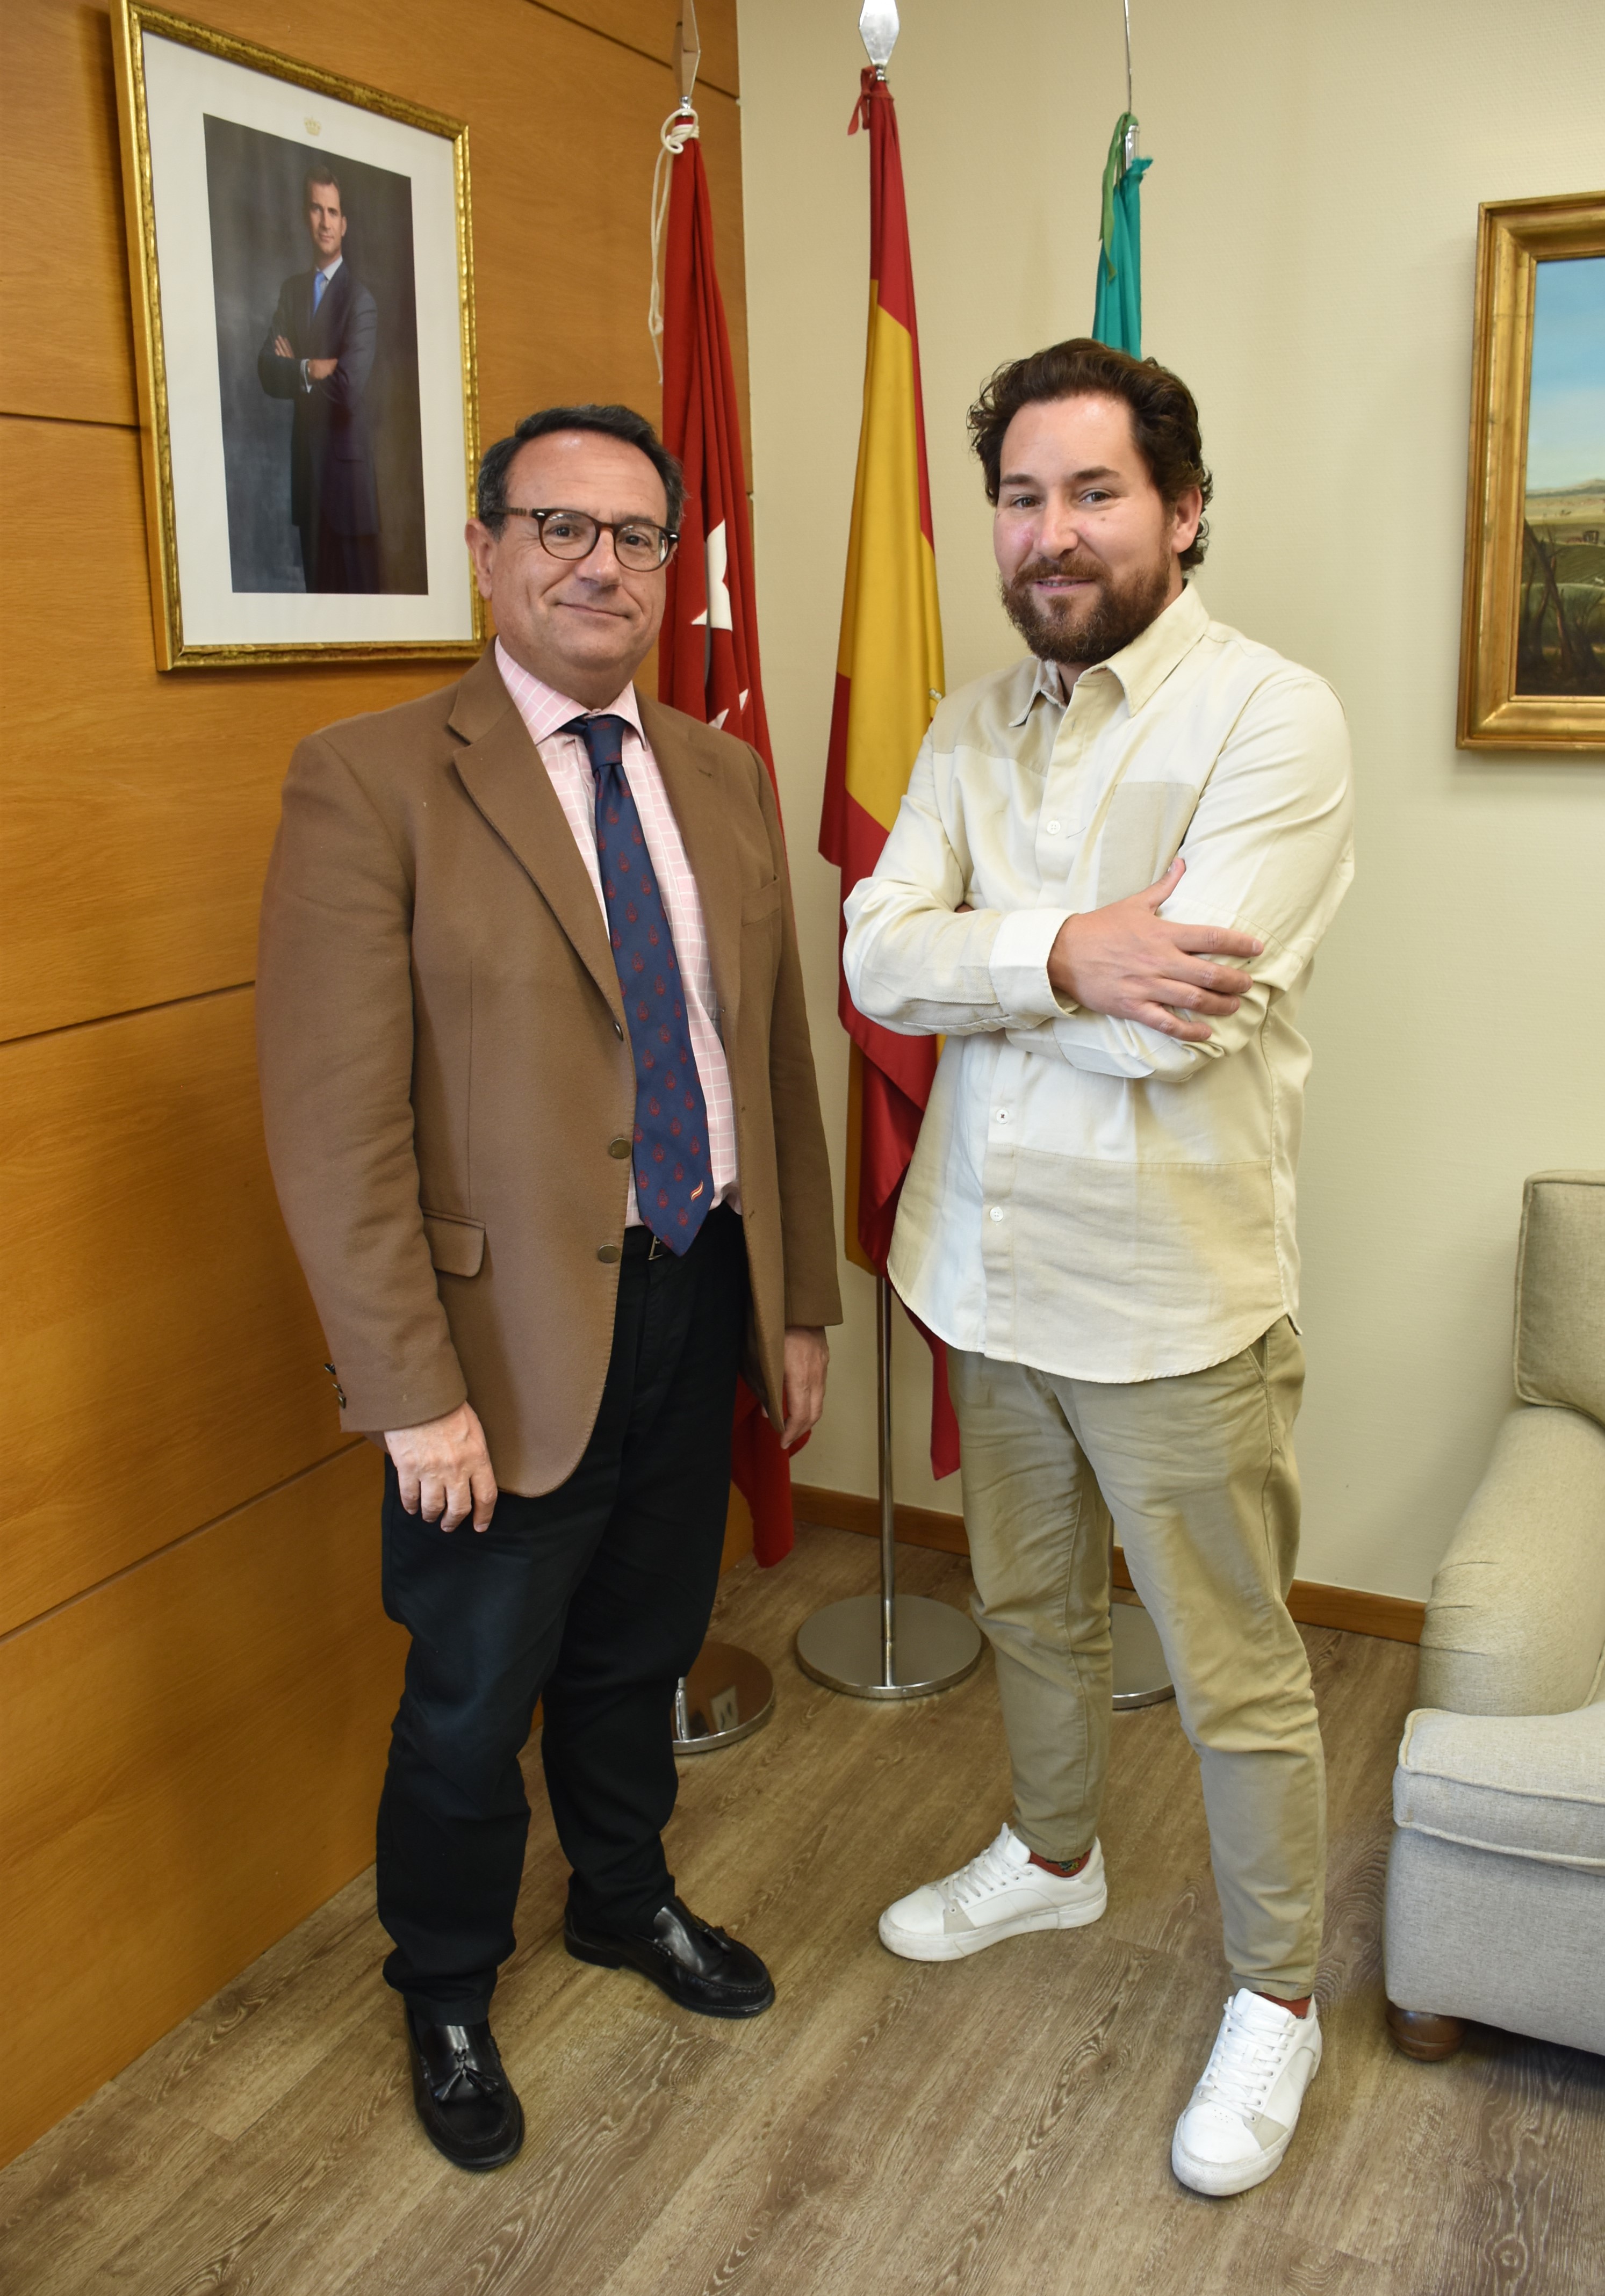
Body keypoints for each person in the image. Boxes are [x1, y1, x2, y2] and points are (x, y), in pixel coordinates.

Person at [256, 402, 840, 2171]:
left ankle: (618, 1893)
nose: (601, 563)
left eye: (635, 534)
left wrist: (794, 1300)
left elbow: (771, 1060)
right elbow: (332, 1121)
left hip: (695, 1284)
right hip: (494, 1348)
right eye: (559, 527)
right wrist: (406, 1390)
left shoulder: (720, 774)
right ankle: (443, 1982)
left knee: (638, 1646)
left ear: (670, 565)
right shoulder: (368, 778)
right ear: (488, 551)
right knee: (468, 1693)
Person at [843, 339, 1354, 2198]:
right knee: (1026, 1605)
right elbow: (871, 955)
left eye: (1091, 491)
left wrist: (985, 959)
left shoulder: (1269, 718)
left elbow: (1164, 1026)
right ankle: (1052, 1856)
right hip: (978, 1269)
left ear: (1181, 511)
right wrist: (1066, 950)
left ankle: (1275, 1994)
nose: (1046, 531)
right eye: (1017, 495)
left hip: (1167, 1300)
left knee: (1229, 1669)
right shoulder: (966, 722)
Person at [256, 167, 380, 593]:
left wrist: (296, 368)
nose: (325, 222)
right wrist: (311, 368)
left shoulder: (360, 301)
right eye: (316, 209)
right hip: (308, 483)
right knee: (317, 610)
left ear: (344, 224)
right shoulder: (291, 292)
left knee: (356, 616)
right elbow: (267, 371)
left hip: (348, 492)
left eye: (333, 212)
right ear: (305, 217)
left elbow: (346, 388)